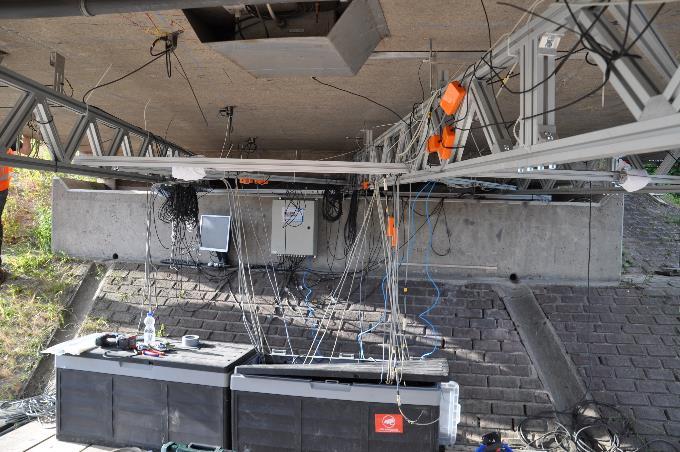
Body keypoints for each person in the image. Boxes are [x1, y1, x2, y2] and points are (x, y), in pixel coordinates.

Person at [0, 135, 29, 285]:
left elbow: (25, 151)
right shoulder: (6, 134)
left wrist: (26, 135)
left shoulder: (7, 135)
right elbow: (26, 151)